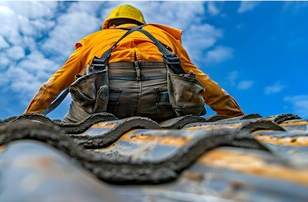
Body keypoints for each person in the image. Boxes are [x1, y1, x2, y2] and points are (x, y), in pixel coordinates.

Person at [25, 4, 243, 122]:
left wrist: (27, 118)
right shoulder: (162, 36)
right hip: (164, 105)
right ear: (142, 22)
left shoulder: (94, 39)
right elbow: (199, 78)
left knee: (67, 128)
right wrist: (236, 117)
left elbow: (54, 85)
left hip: (104, 103)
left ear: (108, 24)